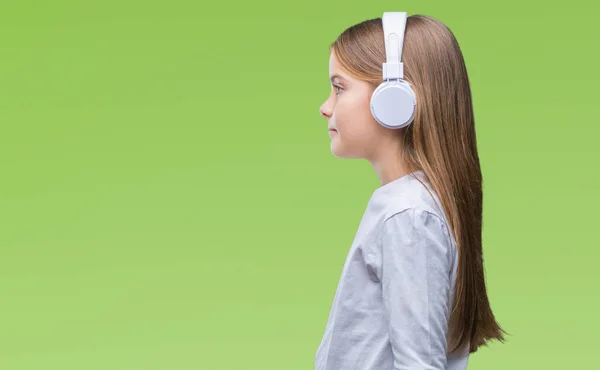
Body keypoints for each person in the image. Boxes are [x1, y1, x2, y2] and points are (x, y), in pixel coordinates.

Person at [316, 13, 507, 370]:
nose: (325, 106)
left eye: (339, 88)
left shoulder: (409, 216)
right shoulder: (406, 207)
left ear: (394, 98)